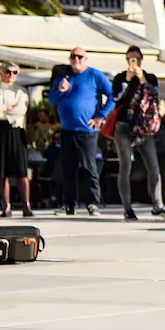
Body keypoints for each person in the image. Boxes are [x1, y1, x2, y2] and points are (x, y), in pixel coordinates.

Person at [49, 47, 115, 216]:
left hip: (87, 129)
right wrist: (60, 90)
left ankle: (92, 202)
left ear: (86, 59)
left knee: (88, 167)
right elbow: (52, 100)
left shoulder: (94, 75)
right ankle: (69, 204)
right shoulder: (63, 76)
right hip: (67, 129)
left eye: (80, 57)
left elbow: (112, 96)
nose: (76, 59)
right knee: (67, 168)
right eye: (73, 56)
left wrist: (100, 116)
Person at [111, 46, 165, 221]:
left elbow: (154, 94)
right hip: (124, 126)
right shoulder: (119, 78)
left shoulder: (150, 77)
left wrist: (142, 79)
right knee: (125, 166)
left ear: (141, 60)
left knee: (153, 166)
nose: (133, 62)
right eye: (130, 59)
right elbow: (115, 99)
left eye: (136, 59)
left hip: (143, 126)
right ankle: (127, 208)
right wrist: (126, 80)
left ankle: (157, 205)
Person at [0, 63, 33, 218]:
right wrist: (4, 108)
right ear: (1, 73)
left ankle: (26, 205)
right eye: (8, 71)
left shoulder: (21, 91)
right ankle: (6, 206)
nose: (11, 75)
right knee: (0, 171)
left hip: (16, 131)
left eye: (15, 72)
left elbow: (20, 110)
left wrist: (0, 112)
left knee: (21, 171)